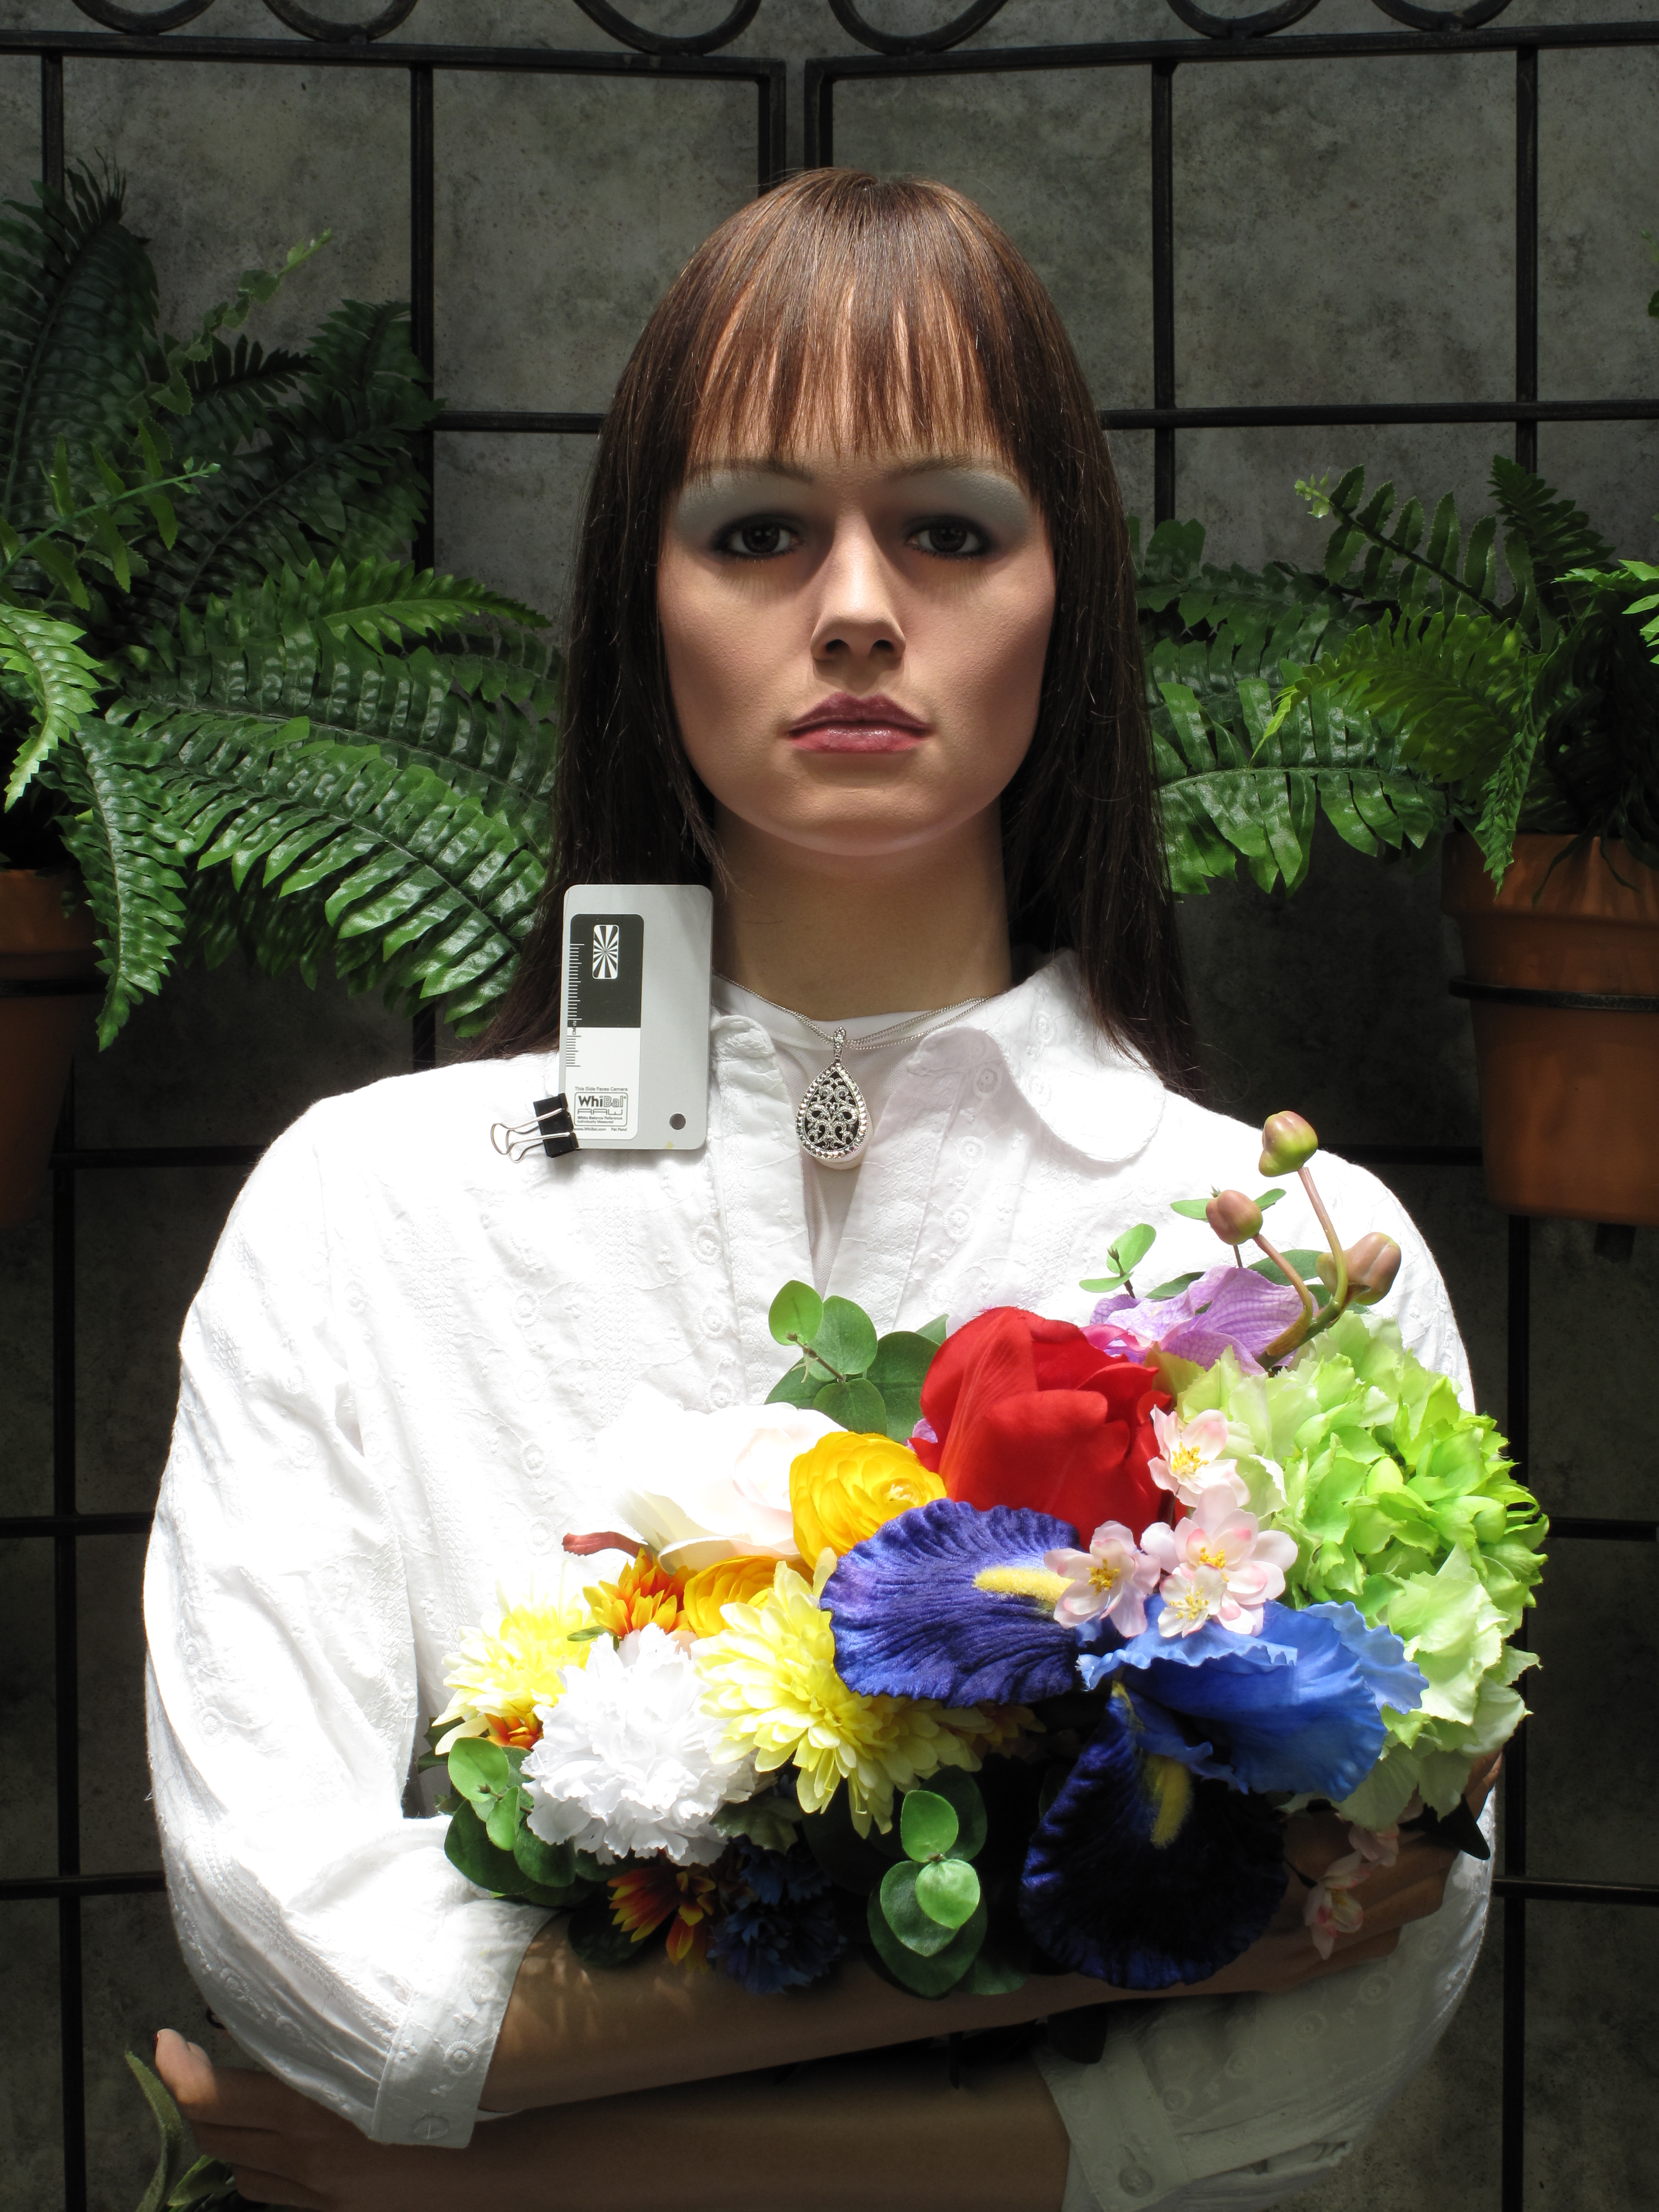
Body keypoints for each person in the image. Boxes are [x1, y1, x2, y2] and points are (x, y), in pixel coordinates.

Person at [148, 172, 1497, 2212]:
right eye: (758, 532)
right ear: (644, 602)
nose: (857, 605)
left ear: (1069, 600)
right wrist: (1134, 1949)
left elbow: (1334, 2045)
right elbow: (289, 1928)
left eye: (949, 530)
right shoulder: (364, 1217)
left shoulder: (1293, 1263)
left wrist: (492, 2182)